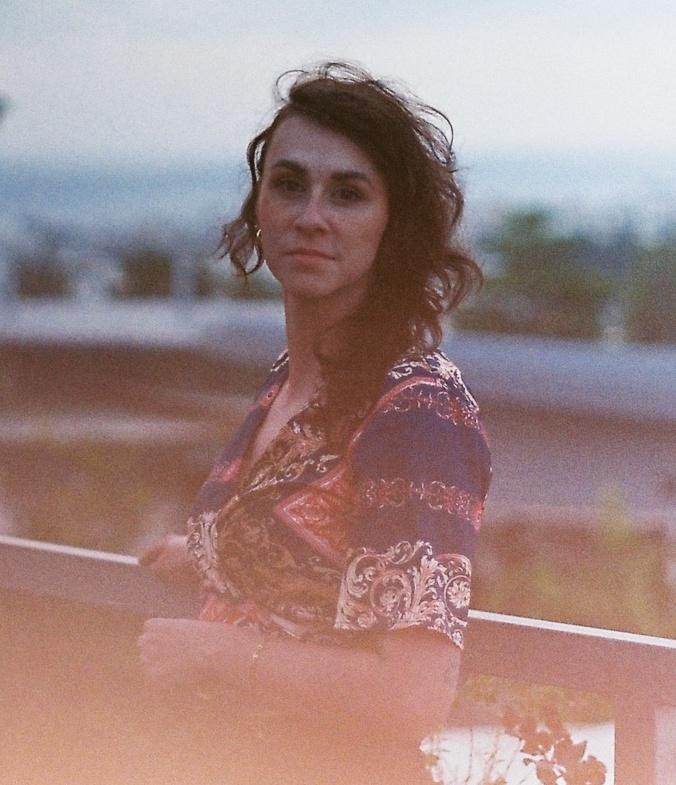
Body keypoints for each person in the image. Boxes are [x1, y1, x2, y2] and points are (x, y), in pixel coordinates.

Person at [138, 61, 491, 785]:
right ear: (259, 206)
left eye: (349, 194)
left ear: (394, 228)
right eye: (290, 184)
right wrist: (210, 551)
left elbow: (413, 692)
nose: (311, 216)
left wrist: (216, 652)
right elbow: (313, 551)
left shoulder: (416, 410)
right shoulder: (290, 381)